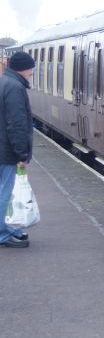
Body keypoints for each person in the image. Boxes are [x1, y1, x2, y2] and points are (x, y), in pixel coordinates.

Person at [0, 51, 35, 248]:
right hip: (6, 151)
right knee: (6, 193)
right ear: (24, 68)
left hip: (3, 147)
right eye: (31, 68)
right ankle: (3, 234)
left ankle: (8, 228)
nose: (31, 72)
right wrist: (22, 154)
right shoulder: (14, 88)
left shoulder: (4, 82)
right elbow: (17, 124)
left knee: (4, 191)